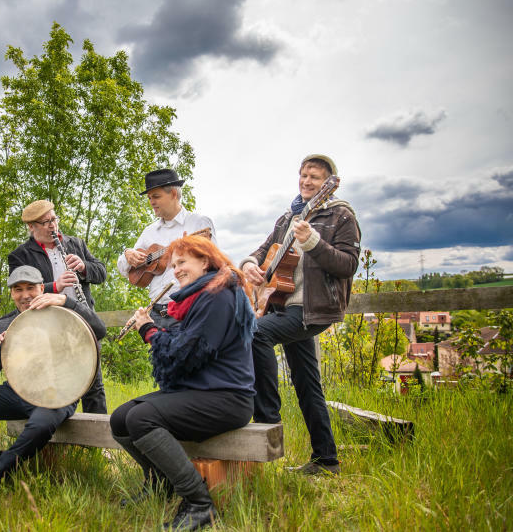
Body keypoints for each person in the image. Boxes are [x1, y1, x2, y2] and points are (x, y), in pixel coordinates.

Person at [111, 235, 257, 532]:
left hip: (228, 397)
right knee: (121, 418)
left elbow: (185, 353)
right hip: (203, 390)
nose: (175, 270)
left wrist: (149, 331)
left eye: (182, 262)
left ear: (205, 261)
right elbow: (182, 337)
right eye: (174, 264)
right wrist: (153, 326)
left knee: (141, 418)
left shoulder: (219, 296)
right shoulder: (201, 295)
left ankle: (199, 504)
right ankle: (159, 483)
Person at [239, 154, 361, 475]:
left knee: (255, 332)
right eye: (304, 175)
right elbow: (261, 251)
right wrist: (250, 264)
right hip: (283, 304)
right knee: (308, 384)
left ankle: (266, 420)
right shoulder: (287, 219)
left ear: (329, 185)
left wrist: (314, 242)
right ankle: (327, 460)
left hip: (314, 309)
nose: (307, 181)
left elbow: (348, 264)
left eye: (315, 177)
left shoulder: (341, 216)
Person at [0, 265, 107, 494]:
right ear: (12, 293)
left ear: (41, 288)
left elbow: (100, 330)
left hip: (58, 396)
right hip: (17, 393)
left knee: (40, 425)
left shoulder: (62, 312)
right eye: (18, 289)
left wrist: (66, 300)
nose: (25, 295)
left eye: (30, 288)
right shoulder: (5, 324)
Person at [8, 199, 108, 413]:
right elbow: (22, 292)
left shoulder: (76, 243)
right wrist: (55, 286)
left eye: (54, 219)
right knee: (56, 382)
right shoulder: (21, 255)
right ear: (31, 227)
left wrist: (83, 267)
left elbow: (101, 273)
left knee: (94, 385)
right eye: (45, 222)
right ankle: (57, 440)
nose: (52, 225)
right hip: (48, 327)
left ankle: (97, 444)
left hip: (82, 319)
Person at [117, 169, 216, 329]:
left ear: (174, 194)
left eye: (156, 196)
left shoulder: (198, 223)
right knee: (157, 354)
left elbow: (214, 266)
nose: (151, 202)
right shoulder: (149, 232)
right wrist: (128, 254)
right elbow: (124, 270)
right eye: (149, 198)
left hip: (190, 310)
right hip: (157, 314)